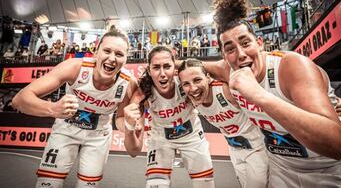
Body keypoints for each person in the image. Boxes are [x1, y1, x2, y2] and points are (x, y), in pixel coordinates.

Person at [202, 0, 341, 187]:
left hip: (333, 167)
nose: (241, 54)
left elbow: (336, 146)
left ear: (260, 43)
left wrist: (259, 95)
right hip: (283, 168)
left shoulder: (290, 66)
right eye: (230, 49)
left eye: (245, 43)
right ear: (224, 57)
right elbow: (192, 66)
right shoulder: (230, 70)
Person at [12, 29, 138, 188]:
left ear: (126, 58)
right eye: (107, 51)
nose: (112, 58)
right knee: (48, 184)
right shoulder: (74, 67)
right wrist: (52, 108)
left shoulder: (128, 83)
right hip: (66, 129)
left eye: (119, 54)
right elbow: (19, 100)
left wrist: (129, 125)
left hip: (98, 136)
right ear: (96, 52)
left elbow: (119, 119)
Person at [121, 46, 214, 188]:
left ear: (175, 68)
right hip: (160, 138)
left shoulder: (185, 81)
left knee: (205, 184)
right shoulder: (142, 93)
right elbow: (133, 151)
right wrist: (130, 126)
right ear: (149, 70)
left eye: (167, 66)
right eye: (156, 67)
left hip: (192, 135)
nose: (162, 73)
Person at [178, 58, 268, 188]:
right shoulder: (191, 98)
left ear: (208, 78)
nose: (193, 88)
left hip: (258, 147)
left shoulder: (226, 90)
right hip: (235, 149)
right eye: (186, 84)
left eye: (197, 80)